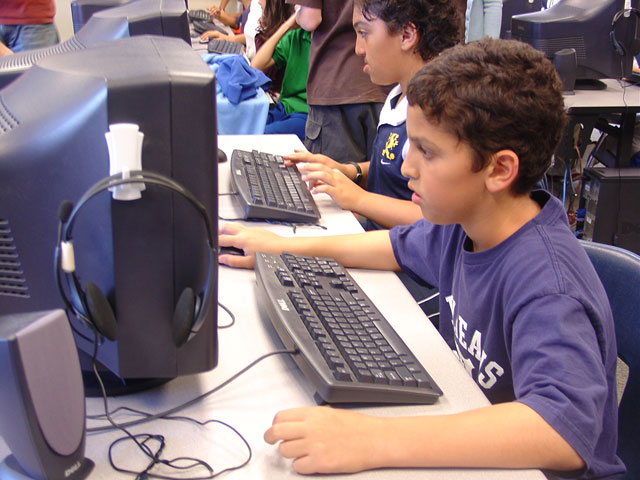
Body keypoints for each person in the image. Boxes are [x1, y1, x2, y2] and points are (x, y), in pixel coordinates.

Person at [219, 38, 626, 479]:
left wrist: (373, 440)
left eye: (426, 151)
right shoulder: (466, 225)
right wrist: (280, 247)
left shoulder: (548, 285)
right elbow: (392, 247)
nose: (406, 167)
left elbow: (561, 431)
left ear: (498, 169)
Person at [283, 0, 460, 231]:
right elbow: (389, 166)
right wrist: (349, 171)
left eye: (364, 33)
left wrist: (359, 199)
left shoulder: (437, 114)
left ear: (406, 35)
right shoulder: (397, 97)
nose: (358, 49)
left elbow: (439, 222)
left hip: (398, 249)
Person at [287, 0, 389, 165]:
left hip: (336, 86)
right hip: (381, 84)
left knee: (327, 177)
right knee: (380, 172)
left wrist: (298, 11)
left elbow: (310, 19)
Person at [251, 9, 310, 141]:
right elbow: (256, 64)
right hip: (285, 107)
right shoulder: (296, 35)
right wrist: (286, 26)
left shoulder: (326, 43)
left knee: (262, 136)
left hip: (307, 114)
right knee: (246, 126)